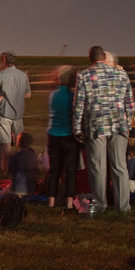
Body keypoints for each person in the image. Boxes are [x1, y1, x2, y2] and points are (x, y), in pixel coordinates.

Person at [72, 46, 132, 214]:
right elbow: (129, 101)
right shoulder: (121, 74)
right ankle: (123, 206)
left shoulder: (84, 76)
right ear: (104, 57)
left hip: (96, 124)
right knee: (119, 166)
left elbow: (79, 104)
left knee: (97, 167)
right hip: (119, 123)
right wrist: (129, 124)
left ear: (89, 58)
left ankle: (100, 203)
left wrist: (77, 128)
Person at [42, 66, 77, 209]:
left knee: (54, 169)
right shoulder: (72, 97)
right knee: (70, 170)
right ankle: (69, 202)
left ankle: (51, 200)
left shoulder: (52, 95)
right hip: (68, 134)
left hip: (53, 133)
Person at [0, 52, 31, 150]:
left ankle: (6, 164)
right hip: (18, 114)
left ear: (4, 62)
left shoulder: (1, 75)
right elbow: (28, 94)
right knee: (21, 142)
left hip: (4, 112)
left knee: (5, 143)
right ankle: (23, 161)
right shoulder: (23, 75)